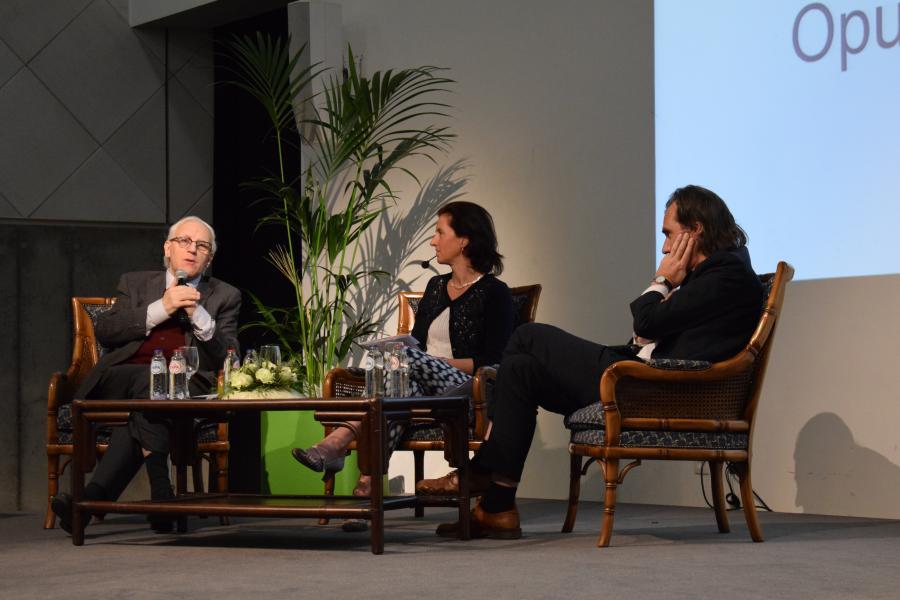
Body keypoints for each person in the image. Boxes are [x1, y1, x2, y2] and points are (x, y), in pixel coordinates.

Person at [417, 185, 765, 540]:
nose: (664, 247)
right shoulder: (715, 275)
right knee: (521, 370)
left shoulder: (726, 274)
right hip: (641, 375)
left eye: (669, 234)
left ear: (695, 231)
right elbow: (650, 330)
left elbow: (645, 319)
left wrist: (662, 280)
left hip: (649, 387)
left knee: (529, 336)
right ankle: (498, 507)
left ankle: (485, 468)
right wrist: (649, 331)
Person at [291, 201, 515, 502]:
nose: (433, 240)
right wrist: (408, 355)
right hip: (420, 388)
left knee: (404, 359)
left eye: (439, 232)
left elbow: (494, 360)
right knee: (398, 379)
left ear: (464, 240)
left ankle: (339, 443)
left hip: (468, 391)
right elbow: (418, 342)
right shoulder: (436, 286)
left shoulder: (495, 292)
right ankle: (368, 486)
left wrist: (432, 362)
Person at [51, 216, 241, 534]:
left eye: (202, 245)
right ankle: (161, 493)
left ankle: (85, 506)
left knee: (143, 408)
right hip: (120, 379)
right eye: (184, 241)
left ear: (210, 257)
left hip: (187, 385)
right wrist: (161, 307)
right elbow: (107, 331)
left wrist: (200, 316)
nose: (192, 249)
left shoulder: (225, 295)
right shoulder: (135, 283)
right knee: (149, 380)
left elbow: (229, 359)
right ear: (168, 248)